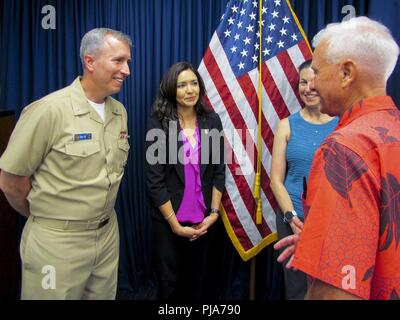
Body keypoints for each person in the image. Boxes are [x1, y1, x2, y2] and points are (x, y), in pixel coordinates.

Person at [0, 28, 132, 299]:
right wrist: (46, 218)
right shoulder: (48, 111)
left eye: (128, 62)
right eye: (118, 61)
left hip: (107, 235)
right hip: (57, 243)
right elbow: (11, 182)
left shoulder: (119, 112)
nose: (126, 70)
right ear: (90, 61)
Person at [274, 16, 400, 300]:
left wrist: (325, 263)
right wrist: (321, 240)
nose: (311, 84)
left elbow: (336, 291)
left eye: (317, 72)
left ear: (346, 73)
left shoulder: (343, 149)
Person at [145, 61, 225, 300]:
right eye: (182, 85)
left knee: (199, 283)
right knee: (169, 284)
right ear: (171, 89)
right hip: (169, 221)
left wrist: (213, 214)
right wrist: (175, 225)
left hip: (204, 222)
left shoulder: (212, 121)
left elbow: (219, 170)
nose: (190, 90)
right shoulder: (158, 123)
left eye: (194, 83)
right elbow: (154, 181)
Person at [270, 59, 338, 300]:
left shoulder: (344, 123)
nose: (308, 88)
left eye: (314, 81)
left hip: (333, 222)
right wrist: (291, 217)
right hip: (292, 218)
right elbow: (276, 180)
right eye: (302, 82)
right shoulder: (286, 125)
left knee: (329, 287)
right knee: (298, 289)